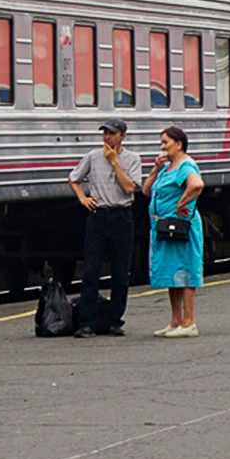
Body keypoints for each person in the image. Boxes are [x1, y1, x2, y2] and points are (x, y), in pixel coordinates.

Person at [68, 119, 141, 337]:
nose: (107, 137)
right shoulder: (92, 157)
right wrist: (82, 197)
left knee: (120, 273)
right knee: (91, 271)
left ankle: (113, 321)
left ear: (122, 137)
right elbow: (74, 179)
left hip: (122, 217)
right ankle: (86, 322)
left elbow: (130, 188)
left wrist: (115, 163)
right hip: (98, 217)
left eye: (112, 133)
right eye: (105, 133)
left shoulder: (132, 159)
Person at [144, 125, 204, 338]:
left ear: (179, 144)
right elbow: (145, 191)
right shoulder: (167, 168)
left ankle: (188, 322)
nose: (162, 147)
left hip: (181, 226)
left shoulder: (186, 165)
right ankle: (175, 320)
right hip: (163, 227)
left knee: (185, 270)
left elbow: (196, 185)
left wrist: (181, 204)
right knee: (172, 273)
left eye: (165, 143)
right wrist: (154, 170)